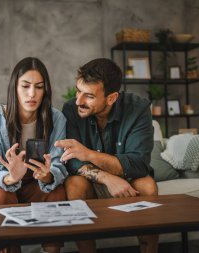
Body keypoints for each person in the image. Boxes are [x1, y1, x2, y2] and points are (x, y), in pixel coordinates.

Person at [55, 58, 159, 253]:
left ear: (111, 98)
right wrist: (107, 178)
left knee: (148, 184)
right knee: (74, 184)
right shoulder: (71, 109)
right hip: (92, 181)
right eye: (78, 91)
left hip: (129, 180)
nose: (79, 101)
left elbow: (138, 163)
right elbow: (71, 161)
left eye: (89, 96)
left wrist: (89, 154)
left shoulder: (138, 108)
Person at [0, 57, 68, 253]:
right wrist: (11, 177)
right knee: (3, 195)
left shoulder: (56, 118)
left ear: (45, 89)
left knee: (56, 192)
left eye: (39, 87)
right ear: (14, 88)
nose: (32, 94)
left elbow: (58, 165)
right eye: (25, 86)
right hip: (1, 184)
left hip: (35, 183)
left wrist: (47, 175)